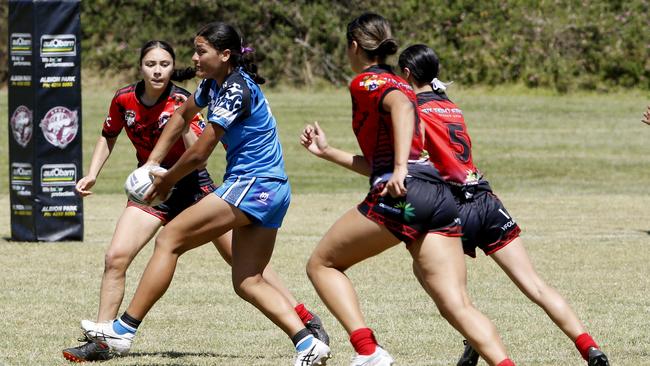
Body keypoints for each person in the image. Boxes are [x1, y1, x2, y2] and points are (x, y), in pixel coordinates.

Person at [80, 23, 331, 366]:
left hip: (251, 185)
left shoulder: (234, 91)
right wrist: (152, 162)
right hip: (272, 189)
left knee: (170, 239)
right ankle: (307, 342)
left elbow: (200, 152)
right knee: (247, 280)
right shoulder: (213, 85)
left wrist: (165, 180)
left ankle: (123, 330)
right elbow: (181, 117)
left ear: (224, 55)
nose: (194, 57)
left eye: (202, 51)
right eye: (195, 50)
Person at [300, 13, 515, 366]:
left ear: (353, 46)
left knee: (322, 265)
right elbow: (382, 161)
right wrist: (327, 152)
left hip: (405, 195)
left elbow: (400, 113)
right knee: (456, 304)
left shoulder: (366, 82)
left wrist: (399, 168)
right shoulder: (401, 82)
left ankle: (368, 351)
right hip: (438, 195)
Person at [397, 44, 610, 366]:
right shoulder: (450, 106)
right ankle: (590, 348)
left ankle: (474, 337)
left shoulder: (413, 110)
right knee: (535, 285)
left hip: (454, 208)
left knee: (435, 279)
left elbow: (415, 162)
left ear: (407, 74)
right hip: (486, 198)